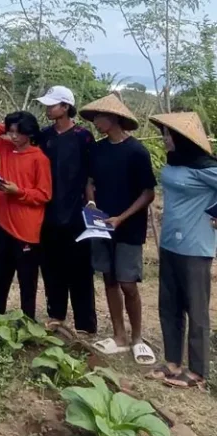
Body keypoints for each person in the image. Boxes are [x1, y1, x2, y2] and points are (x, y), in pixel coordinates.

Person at [80, 94, 157, 365]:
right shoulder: (97, 150)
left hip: (129, 227)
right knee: (109, 279)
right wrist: (91, 202)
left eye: (99, 117)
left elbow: (148, 193)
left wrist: (122, 218)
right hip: (100, 224)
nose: (96, 122)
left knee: (128, 283)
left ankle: (137, 338)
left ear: (113, 119)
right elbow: (89, 181)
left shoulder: (136, 152)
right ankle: (119, 336)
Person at [147, 113, 217, 388]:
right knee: (169, 306)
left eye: (167, 134)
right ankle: (173, 363)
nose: (163, 139)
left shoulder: (206, 168)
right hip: (169, 244)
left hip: (195, 247)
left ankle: (198, 371)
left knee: (196, 309)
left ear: (182, 139)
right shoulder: (175, 163)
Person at [0, 112, 52, 320]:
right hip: (2, 221)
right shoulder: (5, 148)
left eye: (19, 133)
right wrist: (6, 125)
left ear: (29, 133)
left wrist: (18, 191)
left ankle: (27, 319)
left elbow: (44, 194)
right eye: (12, 132)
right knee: (0, 270)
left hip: (26, 227)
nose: (14, 137)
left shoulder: (39, 159)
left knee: (27, 277)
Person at [36, 86, 97, 334]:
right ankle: (56, 315)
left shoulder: (84, 136)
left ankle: (85, 324)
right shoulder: (44, 136)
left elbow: (91, 175)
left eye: (53, 105)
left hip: (76, 214)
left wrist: (91, 202)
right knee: (51, 267)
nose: (48, 109)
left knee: (80, 269)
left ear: (66, 107)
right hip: (48, 212)